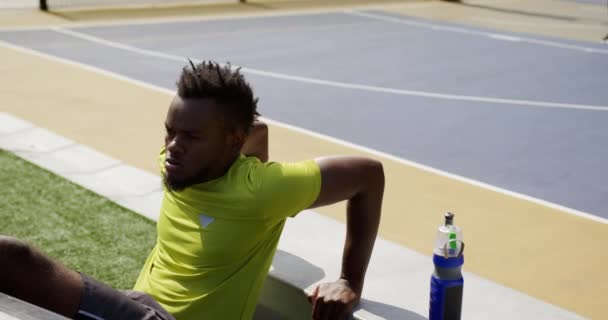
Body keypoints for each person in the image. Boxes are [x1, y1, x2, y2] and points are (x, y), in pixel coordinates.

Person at [0, 61, 384, 320]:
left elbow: (369, 174)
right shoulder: (178, 162)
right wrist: (216, 142)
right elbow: (258, 132)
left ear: (233, 141)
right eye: (170, 130)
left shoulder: (262, 191)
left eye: (192, 136)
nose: (172, 146)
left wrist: (350, 280)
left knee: (13, 257)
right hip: (130, 305)